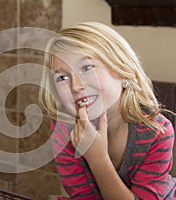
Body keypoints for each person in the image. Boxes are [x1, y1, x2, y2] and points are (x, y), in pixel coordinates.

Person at [39, 22, 176, 199]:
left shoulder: (157, 133)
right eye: (63, 77)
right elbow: (83, 196)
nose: (76, 86)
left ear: (122, 71)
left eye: (87, 68)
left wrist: (97, 158)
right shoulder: (64, 128)